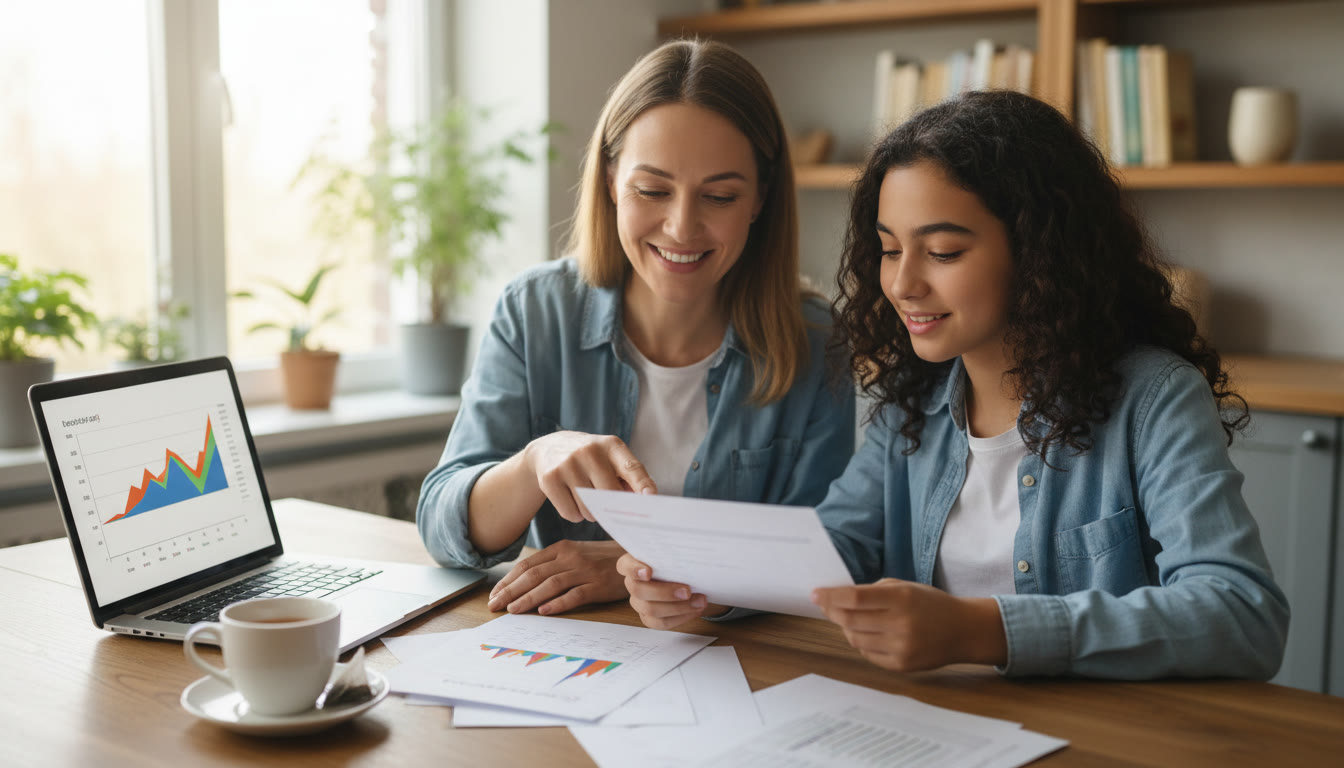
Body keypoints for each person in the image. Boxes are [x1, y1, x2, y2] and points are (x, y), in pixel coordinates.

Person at [621, 90, 1289, 680]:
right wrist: (701, 584)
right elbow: (832, 547)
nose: (904, 283)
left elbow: (1242, 613)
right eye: (889, 248)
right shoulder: (913, 409)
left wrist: (983, 630)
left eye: (942, 252)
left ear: (1039, 254)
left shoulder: (1154, 399)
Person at [416, 39, 855, 619]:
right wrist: (532, 462)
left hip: (742, 661)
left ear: (760, 200)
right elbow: (443, 525)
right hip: (569, 656)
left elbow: (825, 553)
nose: (681, 227)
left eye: (720, 196)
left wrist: (637, 566)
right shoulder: (534, 311)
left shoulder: (816, 341)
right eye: (652, 191)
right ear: (609, 180)